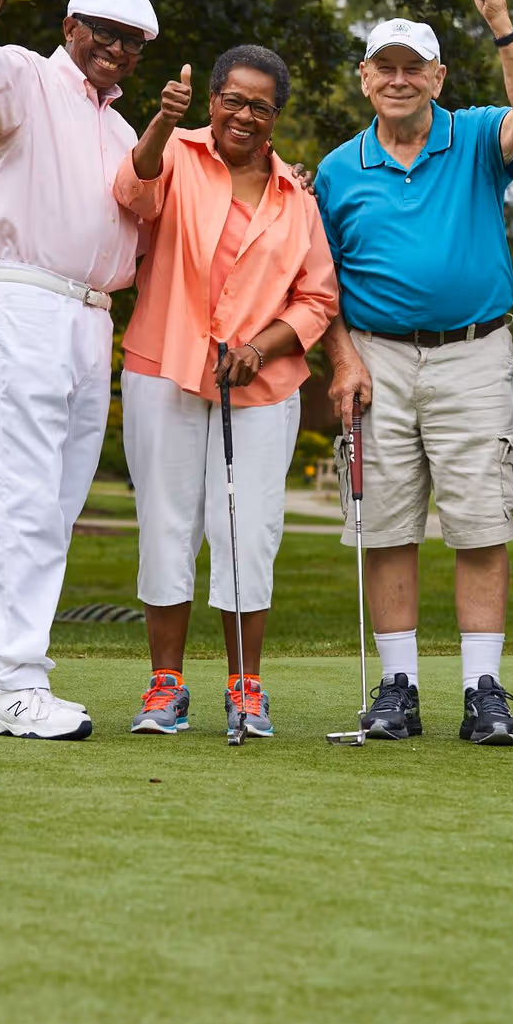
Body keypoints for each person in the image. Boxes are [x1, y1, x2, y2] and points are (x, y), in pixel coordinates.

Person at [0, 0, 160, 741]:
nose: (114, 48)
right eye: (101, 30)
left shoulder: (125, 131)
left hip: (89, 320)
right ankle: (13, 679)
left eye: (130, 41)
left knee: (55, 505)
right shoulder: (27, 74)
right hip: (23, 298)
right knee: (25, 500)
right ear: (71, 28)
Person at [314, 0, 513, 746]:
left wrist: (501, 20)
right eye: (383, 66)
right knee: (388, 528)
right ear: (364, 78)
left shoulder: (479, 134)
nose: (397, 79)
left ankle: (484, 690)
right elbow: (320, 283)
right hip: (376, 360)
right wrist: (342, 360)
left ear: (438, 77)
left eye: (412, 66)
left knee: (481, 522)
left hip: (474, 354)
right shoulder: (337, 170)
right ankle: (398, 689)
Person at [111, 45, 339, 738]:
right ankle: (164, 686)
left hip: (261, 387)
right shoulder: (175, 151)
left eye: (260, 105)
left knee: (249, 532)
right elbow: (132, 191)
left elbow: (318, 298)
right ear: (210, 100)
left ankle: (246, 687)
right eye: (233, 99)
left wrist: (259, 346)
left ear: (276, 117)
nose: (244, 113)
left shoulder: (296, 197)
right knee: (167, 525)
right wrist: (158, 121)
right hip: (164, 369)